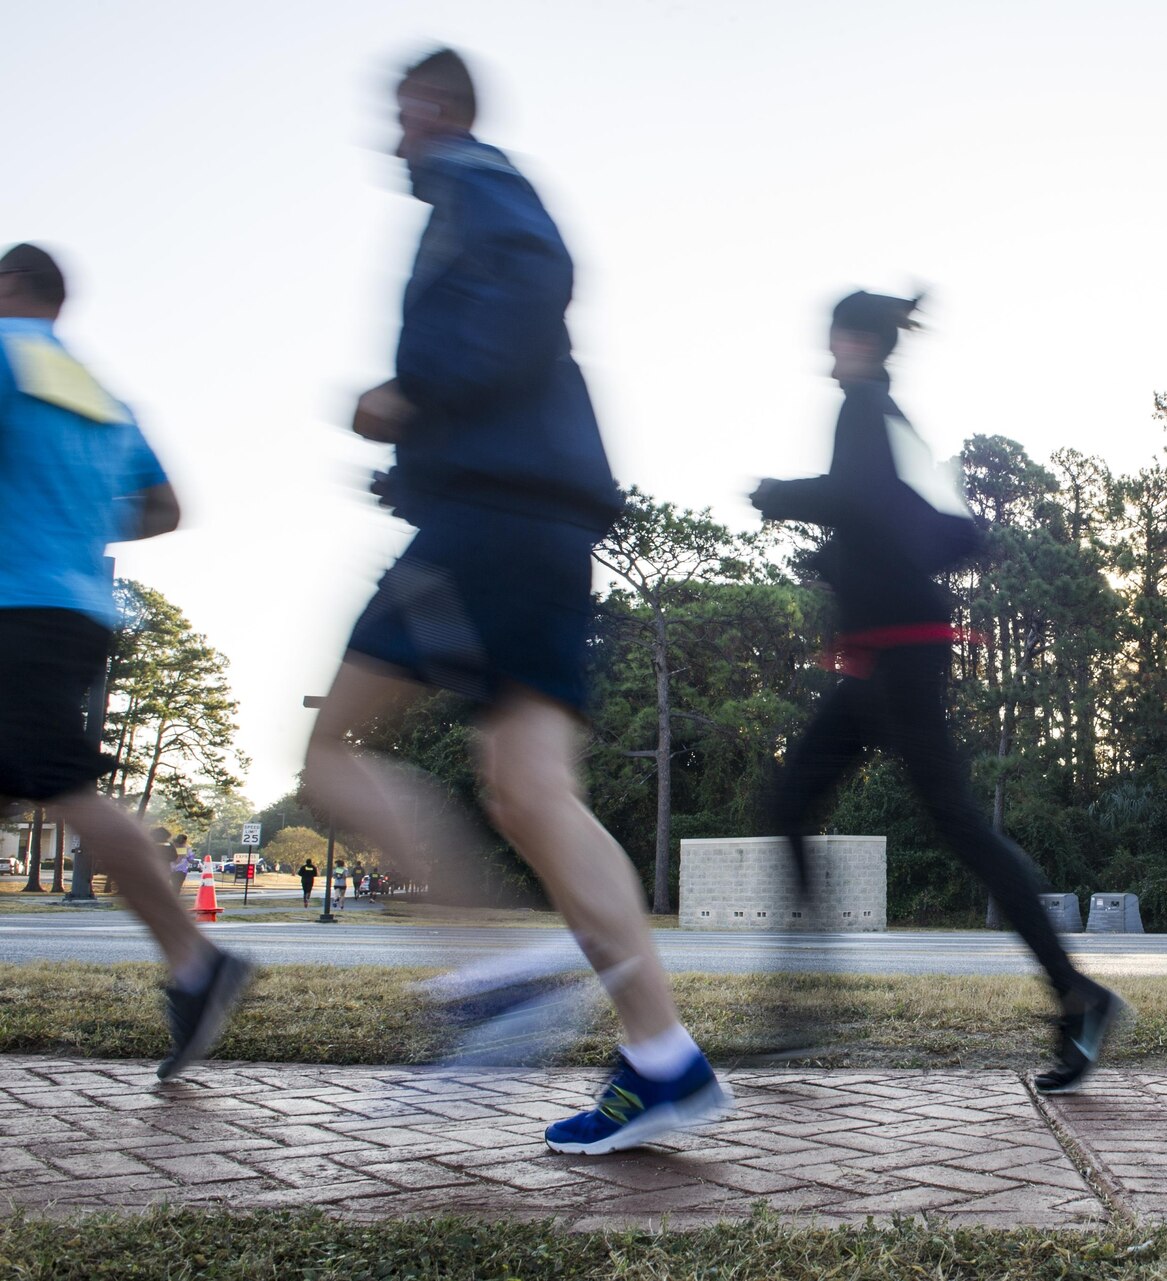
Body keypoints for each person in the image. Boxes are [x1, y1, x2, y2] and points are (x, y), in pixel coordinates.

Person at [302, 48, 726, 1155]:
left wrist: (412, 394)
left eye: (399, 117)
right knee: (532, 788)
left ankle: (493, 982)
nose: (388, 139)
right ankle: (663, 1058)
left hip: (491, 519)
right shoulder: (473, 189)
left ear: (435, 109)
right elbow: (518, 334)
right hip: (534, 518)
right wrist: (421, 451)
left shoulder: (473, 181)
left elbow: (535, 277)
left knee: (332, 751)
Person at [751, 290, 1130, 1094]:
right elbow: (883, 519)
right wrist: (833, 561)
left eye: (836, 337)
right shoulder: (882, 418)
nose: (830, 349)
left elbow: (856, 499)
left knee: (953, 823)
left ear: (857, 339)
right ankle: (802, 1009)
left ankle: (1078, 994)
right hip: (875, 658)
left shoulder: (863, 406)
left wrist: (785, 495)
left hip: (900, 657)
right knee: (795, 806)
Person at [0, 242, 254, 1078]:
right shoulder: (103, 395)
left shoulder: (4, 353)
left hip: (15, 604)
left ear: (10, 287)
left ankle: (196, 960)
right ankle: (194, 963)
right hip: (79, 609)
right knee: (48, 775)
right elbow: (167, 508)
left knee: (62, 779)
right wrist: (77, 522)